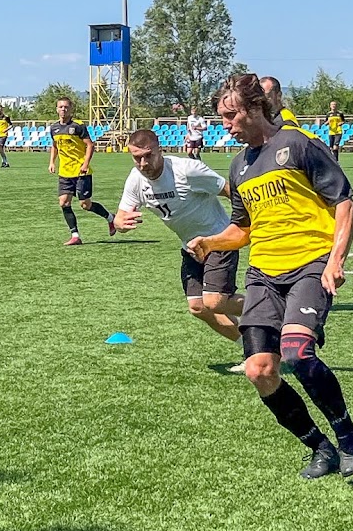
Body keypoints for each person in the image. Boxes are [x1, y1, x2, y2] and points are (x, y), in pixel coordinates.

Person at [187, 74, 353, 480]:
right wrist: (212, 242)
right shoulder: (239, 166)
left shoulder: (298, 144)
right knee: (259, 370)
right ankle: (320, 448)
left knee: (297, 353)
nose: (226, 125)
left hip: (309, 264)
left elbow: (344, 203)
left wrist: (336, 258)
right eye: (221, 118)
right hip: (263, 274)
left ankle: (348, 436)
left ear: (254, 109)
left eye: (231, 116)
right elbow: (242, 228)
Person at [115, 130, 246, 371]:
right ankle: (252, 348)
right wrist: (119, 224)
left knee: (216, 301)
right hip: (190, 247)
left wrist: (242, 227)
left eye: (148, 156)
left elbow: (230, 191)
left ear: (160, 150)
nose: (143, 164)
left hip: (218, 240)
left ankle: (273, 309)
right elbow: (122, 216)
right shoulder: (136, 179)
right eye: (137, 158)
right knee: (198, 306)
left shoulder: (187, 170)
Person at [48, 97, 116, 245]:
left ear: (71, 109)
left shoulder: (78, 126)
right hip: (64, 172)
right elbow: (54, 145)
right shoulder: (54, 128)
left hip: (81, 171)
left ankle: (110, 218)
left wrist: (85, 164)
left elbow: (90, 145)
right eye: (60, 107)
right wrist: (52, 162)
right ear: (56, 109)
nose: (63, 109)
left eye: (66, 107)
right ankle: (75, 235)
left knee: (85, 205)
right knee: (64, 202)